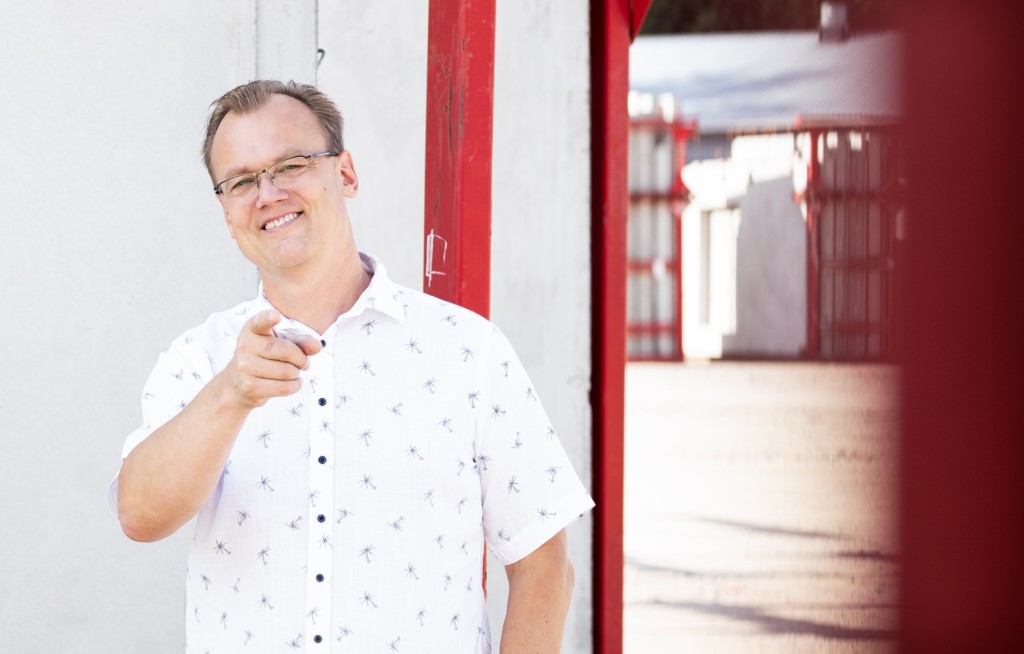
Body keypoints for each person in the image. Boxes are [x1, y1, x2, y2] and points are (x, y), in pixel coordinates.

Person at [109, 79, 594, 654]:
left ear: (345, 174)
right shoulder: (200, 358)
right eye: (241, 180)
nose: (266, 193)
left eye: (290, 164)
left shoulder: (467, 349)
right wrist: (230, 395)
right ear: (226, 211)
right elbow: (139, 516)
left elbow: (544, 566)